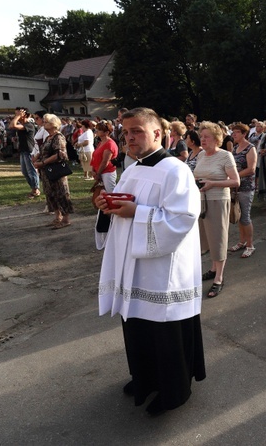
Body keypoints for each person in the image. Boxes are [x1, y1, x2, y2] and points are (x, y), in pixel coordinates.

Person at [94, 107, 206, 417]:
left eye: (137, 131)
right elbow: (122, 205)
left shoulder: (176, 170)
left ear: (157, 133)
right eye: (126, 131)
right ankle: (144, 377)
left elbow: (184, 218)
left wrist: (137, 214)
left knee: (164, 332)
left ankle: (174, 391)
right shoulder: (131, 169)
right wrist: (106, 207)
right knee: (138, 326)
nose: (129, 136)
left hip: (162, 270)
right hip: (133, 267)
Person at [193, 121, 240, 298]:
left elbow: (236, 181)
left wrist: (213, 184)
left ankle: (218, 278)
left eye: (206, 137)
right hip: (201, 201)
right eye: (201, 136)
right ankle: (213, 268)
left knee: (218, 238)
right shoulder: (200, 155)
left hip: (218, 201)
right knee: (206, 238)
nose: (202, 140)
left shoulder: (226, 155)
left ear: (217, 138)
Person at [33, 114, 73, 229]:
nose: (43, 123)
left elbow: (59, 154)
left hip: (56, 170)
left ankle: (66, 219)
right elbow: (44, 150)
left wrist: (43, 162)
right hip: (46, 171)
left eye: (46, 122)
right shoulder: (48, 137)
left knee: (61, 193)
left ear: (53, 124)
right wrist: (37, 157)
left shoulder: (58, 137)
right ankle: (57, 217)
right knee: (50, 194)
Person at [228, 123, 258, 258]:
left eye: (236, 132)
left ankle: (250, 245)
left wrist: (235, 176)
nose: (233, 134)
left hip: (246, 187)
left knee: (245, 217)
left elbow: (251, 169)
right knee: (239, 217)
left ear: (244, 134)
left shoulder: (250, 148)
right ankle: (241, 241)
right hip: (236, 187)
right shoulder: (235, 149)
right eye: (233, 132)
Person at [8, 107, 41, 198]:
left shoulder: (29, 125)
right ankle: (33, 188)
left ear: (24, 115)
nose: (16, 116)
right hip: (23, 150)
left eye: (18, 113)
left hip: (29, 151)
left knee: (31, 171)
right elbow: (11, 126)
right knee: (25, 172)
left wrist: (17, 117)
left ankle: (35, 190)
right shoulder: (22, 125)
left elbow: (13, 125)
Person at [91, 122, 119, 193]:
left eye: (99, 129)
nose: (96, 131)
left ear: (106, 132)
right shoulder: (101, 142)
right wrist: (93, 170)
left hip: (107, 172)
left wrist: (98, 173)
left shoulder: (109, 144)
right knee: (103, 193)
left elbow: (105, 161)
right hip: (100, 171)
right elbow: (95, 156)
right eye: (96, 129)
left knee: (111, 193)